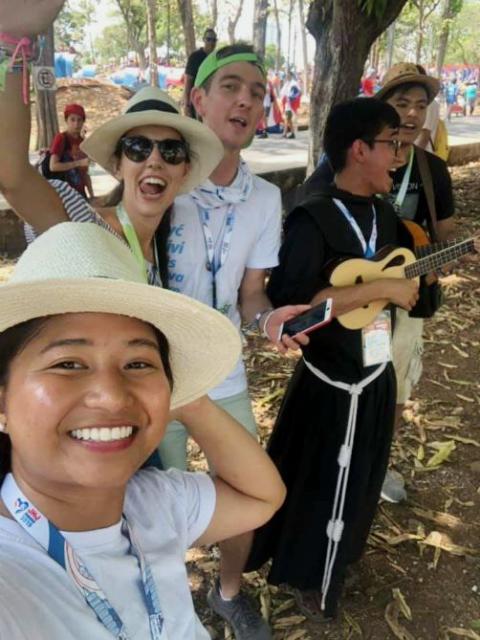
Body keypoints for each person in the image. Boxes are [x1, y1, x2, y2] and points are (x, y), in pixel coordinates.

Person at [0, 221, 286, 639]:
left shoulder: (155, 505)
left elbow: (262, 496)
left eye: (138, 364)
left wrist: (190, 400)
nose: (113, 397)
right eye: (68, 364)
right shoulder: (12, 580)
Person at [245, 98, 419, 621]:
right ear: (359, 149)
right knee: (317, 480)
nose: (399, 153)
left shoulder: (387, 216)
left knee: (362, 477)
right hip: (327, 384)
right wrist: (372, 289)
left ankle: (338, 561)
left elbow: (409, 296)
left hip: (374, 374)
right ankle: (304, 573)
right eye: (391, 142)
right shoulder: (311, 216)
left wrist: (415, 284)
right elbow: (292, 315)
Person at [161, 44, 309, 640]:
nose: (246, 98)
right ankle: (167, 603)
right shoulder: (163, 181)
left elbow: (250, 294)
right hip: (155, 378)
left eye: (256, 89)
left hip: (222, 372)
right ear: (198, 99)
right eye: (230, 86)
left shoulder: (266, 199)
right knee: (155, 503)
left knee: (251, 488)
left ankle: (227, 592)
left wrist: (269, 322)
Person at [295, 63, 457, 503]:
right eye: (401, 104)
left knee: (394, 383)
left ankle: (376, 463)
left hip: (406, 300)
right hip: (350, 303)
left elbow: (445, 234)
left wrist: (438, 259)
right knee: (348, 380)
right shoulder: (342, 162)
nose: (411, 114)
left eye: (421, 106)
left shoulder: (431, 170)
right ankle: (331, 462)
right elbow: (311, 211)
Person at [0, 1, 224, 292]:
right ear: (118, 165)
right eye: (138, 147)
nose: (155, 160)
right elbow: (11, 175)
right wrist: (11, 45)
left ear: (185, 170)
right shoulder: (84, 226)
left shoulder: (165, 257)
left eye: (170, 151)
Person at [47, 102, 94, 199]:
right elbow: (53, 166)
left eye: (79, 120)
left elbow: (85, 173)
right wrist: (79, 163)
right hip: (63, 194)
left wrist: (91, 195)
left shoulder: (82, 142)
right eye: (72, 120)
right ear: (66, 120)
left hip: (80, 193)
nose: (76, 124)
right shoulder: (61, 138)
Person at [183, 28, 217, 118]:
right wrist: (186, 105)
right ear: (204, 40)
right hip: (196, 102)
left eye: (214, 40)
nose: (211, 42)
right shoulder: (195, 57)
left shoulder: (216, 58)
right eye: (208, 39)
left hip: (211, 104)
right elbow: (188, 81)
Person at [280, 71, 301, 139]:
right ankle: (292, 133)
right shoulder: (286, 83)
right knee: (289, 119)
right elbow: (283, 92)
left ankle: (285, 133)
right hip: (286, 103)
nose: (287, 76)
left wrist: (293, 97)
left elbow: (299, 92)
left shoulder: (294, 83)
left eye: (288, 75)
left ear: (291, 76)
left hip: (291, 104)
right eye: (286, 75)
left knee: (287, 118)